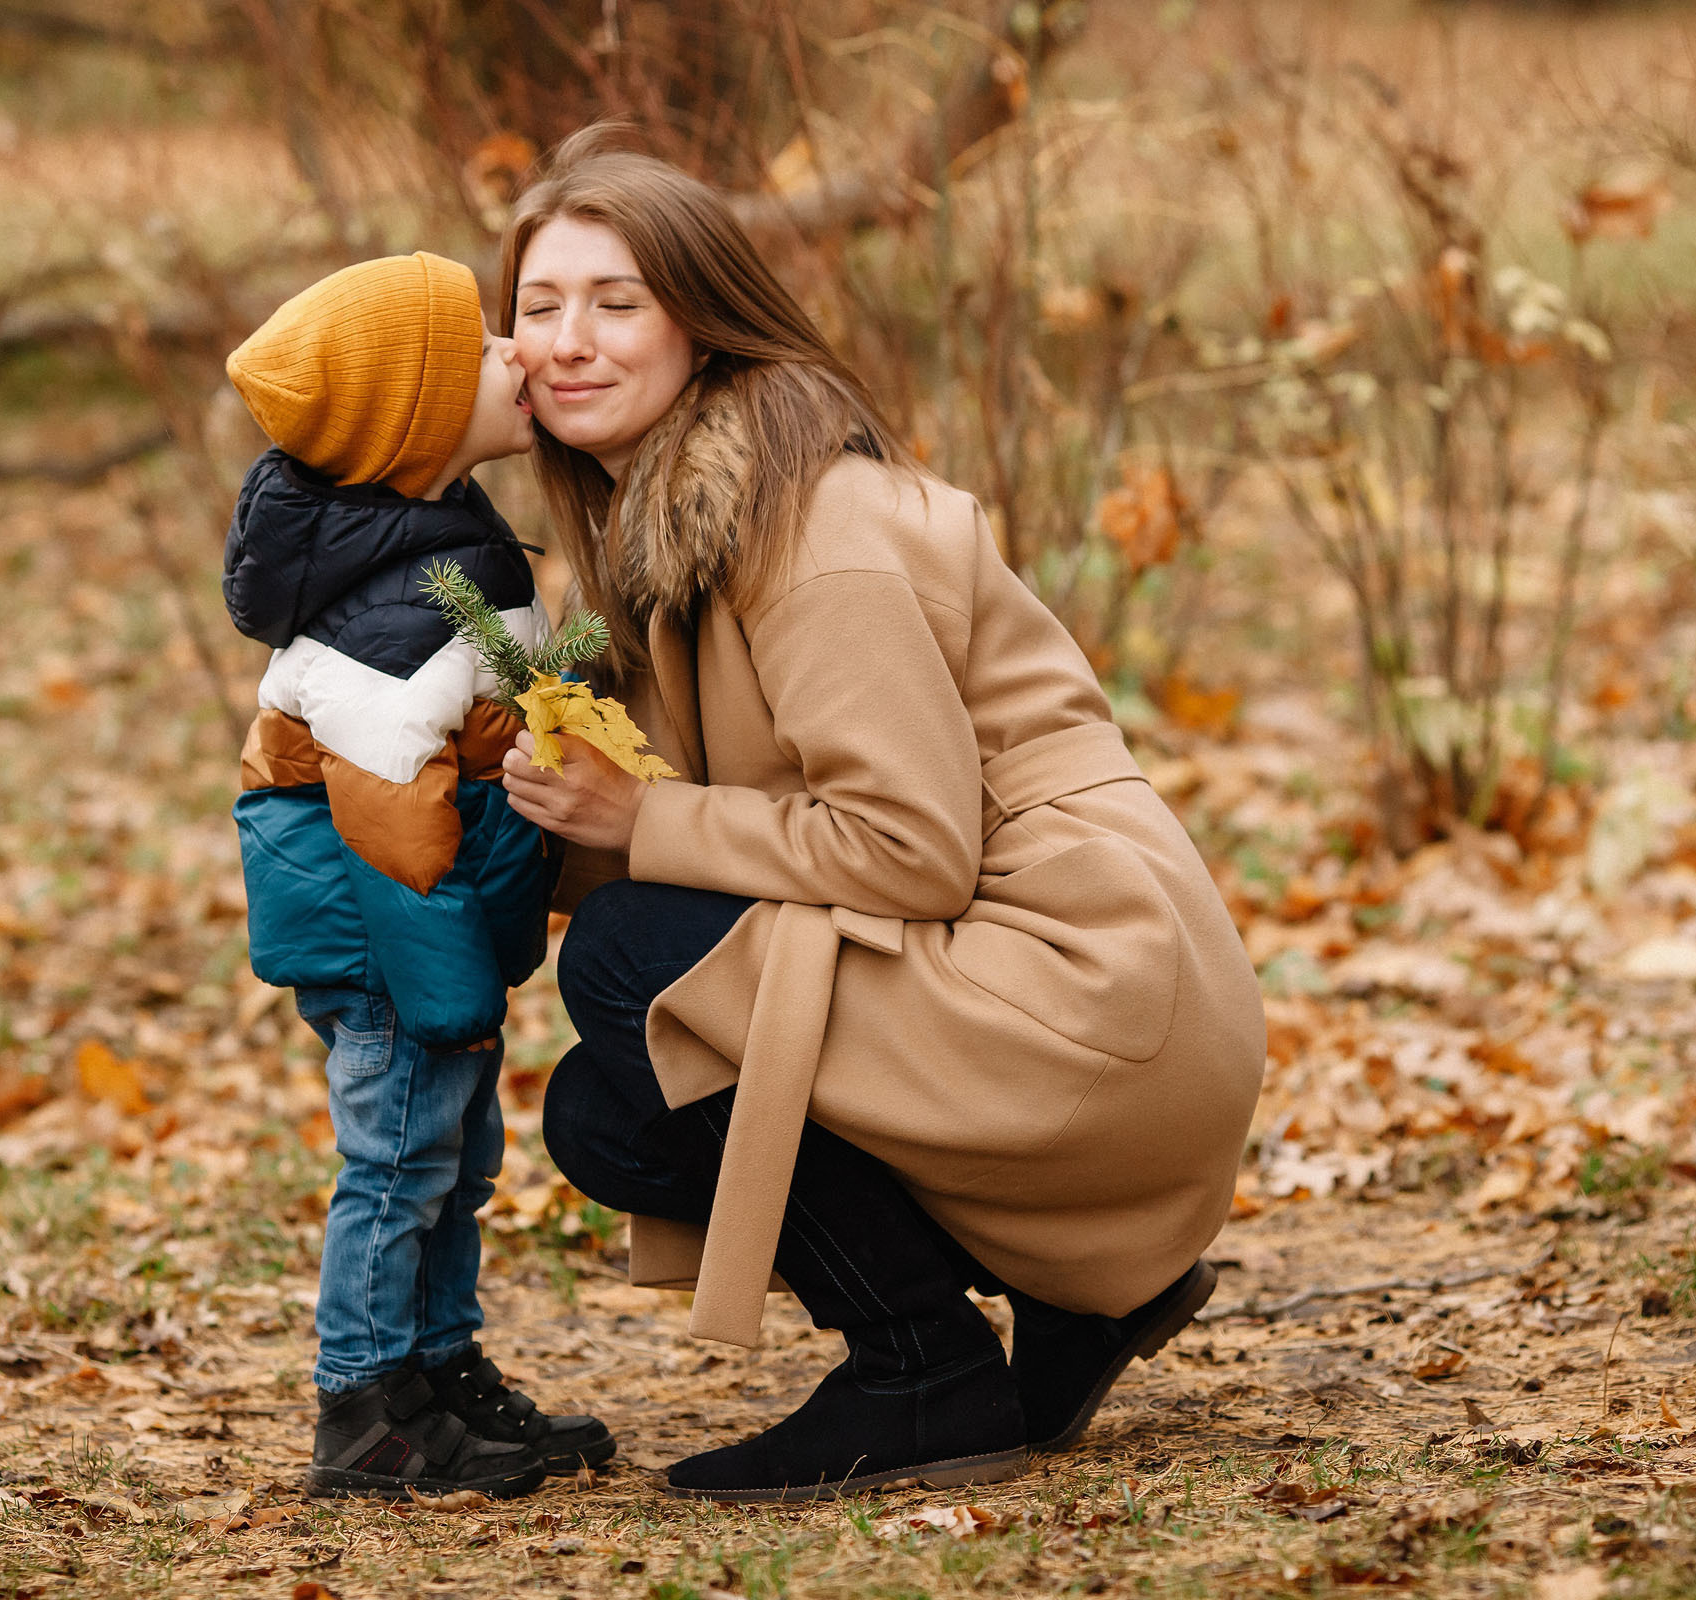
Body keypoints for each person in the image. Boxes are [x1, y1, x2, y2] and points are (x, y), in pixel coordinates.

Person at [491, 129, 1269, 1502]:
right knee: (612, 1113)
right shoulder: (662, 538)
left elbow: (906, 851)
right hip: (1020, 979)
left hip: (1090, 989)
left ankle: (922, 1374)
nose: (569, 341)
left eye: (617, 303)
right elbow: (728, 839)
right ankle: (1078, 1305)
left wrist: (638, 824)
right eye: (539, 308)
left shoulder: (813, 533)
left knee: (632, 966)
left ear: (706, 328)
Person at [221, 251, 611, 1500]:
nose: (521, 353)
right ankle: (365, 1404)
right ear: (417, 418)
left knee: (455, 1155)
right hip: (392, 944)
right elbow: (393, 825)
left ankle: (441, 1371)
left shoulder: (440, 546)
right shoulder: (392, 617)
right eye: (487, 343)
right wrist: (450, 992)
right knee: (396, 1159)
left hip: (434, 933)